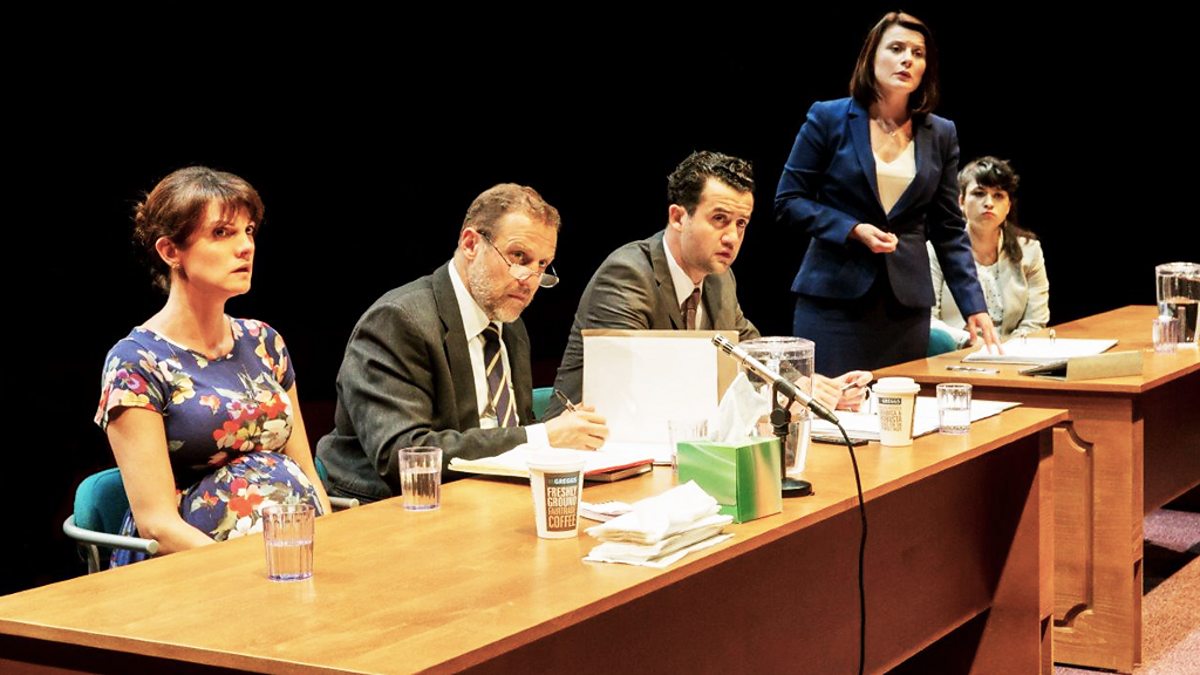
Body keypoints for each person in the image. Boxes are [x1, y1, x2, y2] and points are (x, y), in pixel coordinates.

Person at [95, 166, 331, 566]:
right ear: (170, 251)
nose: (245, 247)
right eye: (222, 233)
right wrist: (245, 566)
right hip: (193, 566)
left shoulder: (264, 342)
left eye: (248, 231)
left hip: (288, 555)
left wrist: (325, 547)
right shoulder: (136, 362)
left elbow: (306, 473)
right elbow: (157, 525)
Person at [317, 184, 608, 503]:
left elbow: (510, 430)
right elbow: (404, 455)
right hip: (395, 506)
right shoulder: (398, 321)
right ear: (470, 244)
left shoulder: (509, 325)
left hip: (488, 498)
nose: (529, 281)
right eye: (518, 257)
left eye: (541, 265)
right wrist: (543, 437)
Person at [547, 150, 871, 420]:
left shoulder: (719, 279)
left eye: (741, 224)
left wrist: (806, 388)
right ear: (678, 217)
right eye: (719, 219)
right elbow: (634, 390)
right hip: (583, 451)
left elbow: (750, 351)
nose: (732, 237)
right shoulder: (627, 275)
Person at [775, 11, 1000, 375]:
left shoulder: (941, 134)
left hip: (905, 310)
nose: (907, 59)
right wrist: (852, 229)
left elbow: (948, 228)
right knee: (834, 404)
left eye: (918, 53)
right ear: (871, 56)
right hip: (833, 303)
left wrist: (974, 304)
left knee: (900, 406)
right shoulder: (828, 118)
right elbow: (788, 201)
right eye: (896, 48)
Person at [930, 157, 1048, 346]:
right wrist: (968, 341)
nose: (989, 203)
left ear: (1008, 206)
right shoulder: (936, 251)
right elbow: (929, 320)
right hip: (957, 352)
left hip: (1015, 353)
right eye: (979, 193)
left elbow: (1035, 321)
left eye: (998, 195)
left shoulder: (1029, 250)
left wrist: (1007, 351)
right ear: (961, 201)